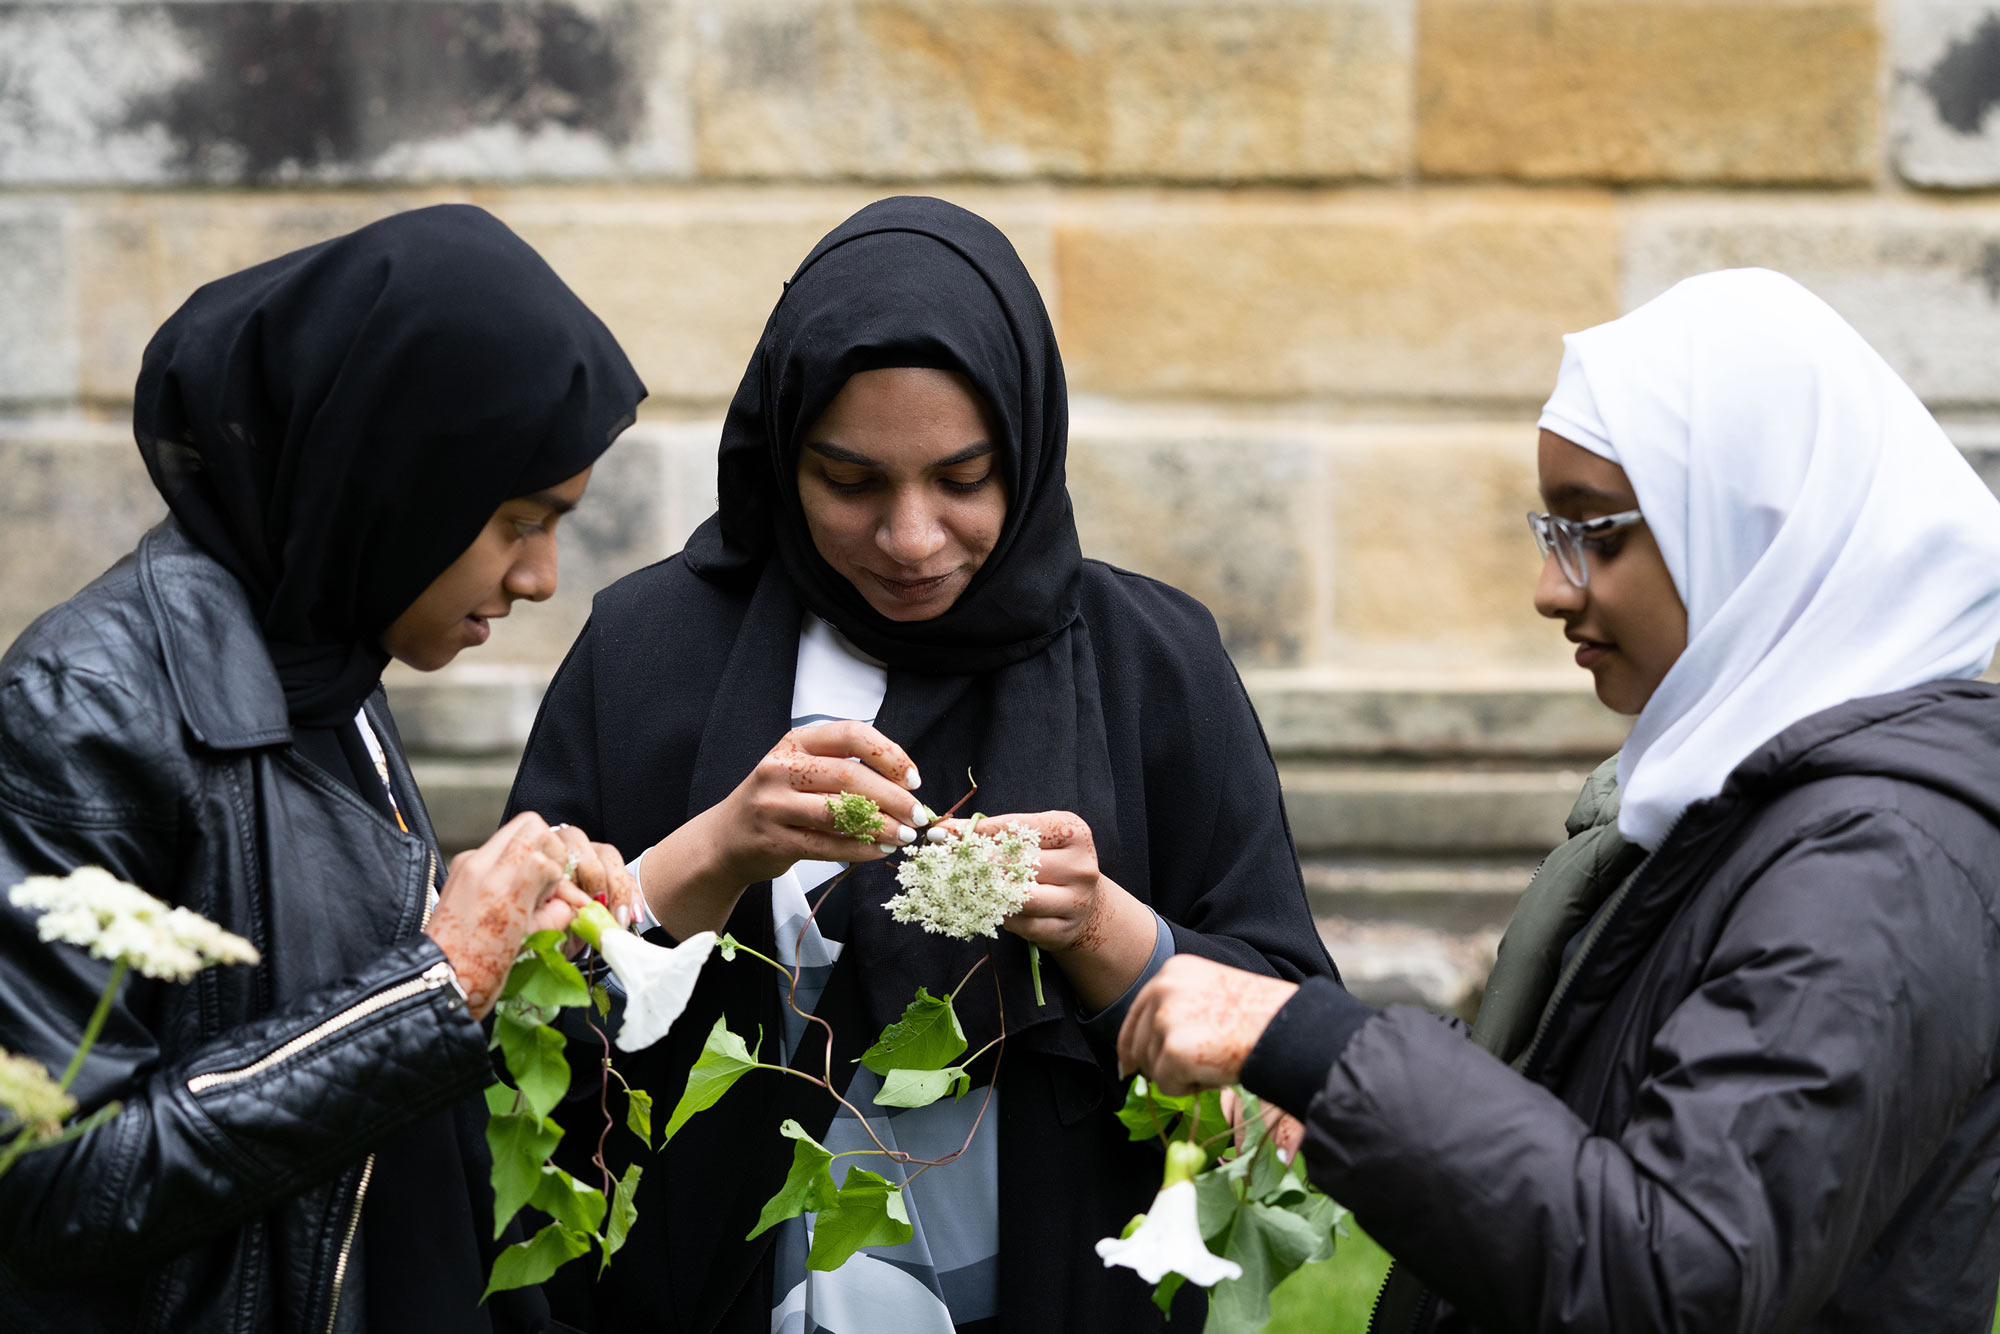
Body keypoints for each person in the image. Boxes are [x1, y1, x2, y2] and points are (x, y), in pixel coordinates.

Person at [505, 195, 1338, 1334]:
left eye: (963, 478)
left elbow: (1291, 1034)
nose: (909, 537)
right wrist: (716, 846)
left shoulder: (1153, 662)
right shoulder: (648, 654)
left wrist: (1100, 928)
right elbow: (514, 1021)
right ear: (781, 452)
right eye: (849, 481)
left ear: (1029, 449)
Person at [1117, 269, 2000, 1332]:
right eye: (1552, 531)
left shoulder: (1874, 863)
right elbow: (1614, 1096)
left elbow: (1672, 1273)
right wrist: (1336, 1091)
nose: (1551, 587)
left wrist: (1320, 1045)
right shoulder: (1764, 793)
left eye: (1600, 532)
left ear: (1753, 526)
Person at [0, 205, 648, 1333]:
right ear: (392, 478)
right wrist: (437, 983)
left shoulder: (322, 659)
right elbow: (55, 1181)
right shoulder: (84, 708)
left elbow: (322, 1035)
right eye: (511, 520)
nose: (541, 574)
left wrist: (511, 960)